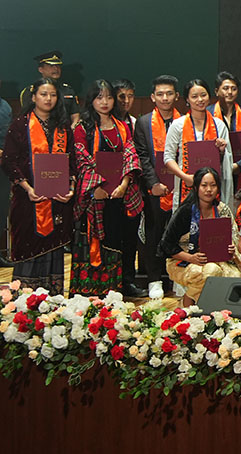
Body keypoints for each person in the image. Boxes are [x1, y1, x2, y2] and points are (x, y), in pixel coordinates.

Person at [3, 79, 77, 292]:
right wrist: (28, 188)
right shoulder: (20, 125)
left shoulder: (62, 126)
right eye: (43, 94)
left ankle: (53, 300)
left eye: (53, 95)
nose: (48, 99)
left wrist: (71, 188)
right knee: (29, 245)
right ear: (33, 96)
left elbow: (72, 161)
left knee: (54, 249)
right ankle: (25, 300)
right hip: (28, 199)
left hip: (58, 200)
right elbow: (9, 161)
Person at [73, 80, 146, 296]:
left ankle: (125, 283)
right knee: (100, 239)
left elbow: (131, 156)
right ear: (91, 100)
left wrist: (124, 183)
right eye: (99, 97)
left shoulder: (122, 126)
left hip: (122, 193)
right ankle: (96, 288)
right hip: (96, 195)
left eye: (109, 97)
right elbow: (81, 160)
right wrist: (95, 187)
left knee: (127, 238)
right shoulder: (83, 128)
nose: (104, 102)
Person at [159, 167, 241, 307]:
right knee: (210, 272)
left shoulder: (223, 210)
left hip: (217, 260)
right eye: (204, 185)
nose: (209, 190)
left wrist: (230, 249)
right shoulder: (185, 211)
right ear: (196, 187)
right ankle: (195, 306)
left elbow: (233, 238)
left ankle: (192, 303)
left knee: (230, 274)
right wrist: (191, 258)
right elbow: (166, 245)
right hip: (183, 260)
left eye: (213, 185)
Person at [133, 74, 181, 299]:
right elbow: (142, 156)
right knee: (153, 233)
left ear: (177, 96)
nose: (165, 98)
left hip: (182, 187)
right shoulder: (143, 123)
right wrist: (153, 183)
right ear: (152, 97)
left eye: (169, 93)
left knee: (179, 233)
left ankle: (177, 279)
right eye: (160, 94)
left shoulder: (185, 121)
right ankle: (154, 279)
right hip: (154, 189)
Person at [165, 79, 235, 203]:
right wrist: (185, 177)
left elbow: (226, 160)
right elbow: (168, 157)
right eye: (194, 96)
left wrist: (221, 151)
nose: (200, 100)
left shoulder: (219, 125)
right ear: (187, 99)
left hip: (212, 188)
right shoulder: (178, 125)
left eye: (203, 95)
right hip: (186, 185)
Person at [19, 51, 79, 116]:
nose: (56, 69)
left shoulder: (68, 90)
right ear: (41, 69)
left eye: (58, 66)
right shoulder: (31, 91)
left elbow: (75, 114)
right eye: (51, 66)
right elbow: (27, 116)